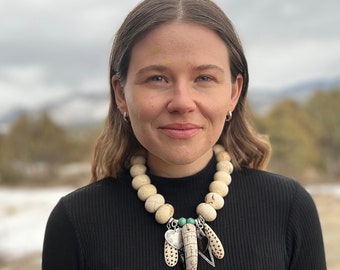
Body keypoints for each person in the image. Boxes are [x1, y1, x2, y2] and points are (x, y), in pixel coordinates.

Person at [42, 0, 326, 269]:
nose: (182, 102)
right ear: (121, 94)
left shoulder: (288, 208)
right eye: (157, 78)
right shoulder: (75, 222)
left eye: (204, 78)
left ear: (233, 92)